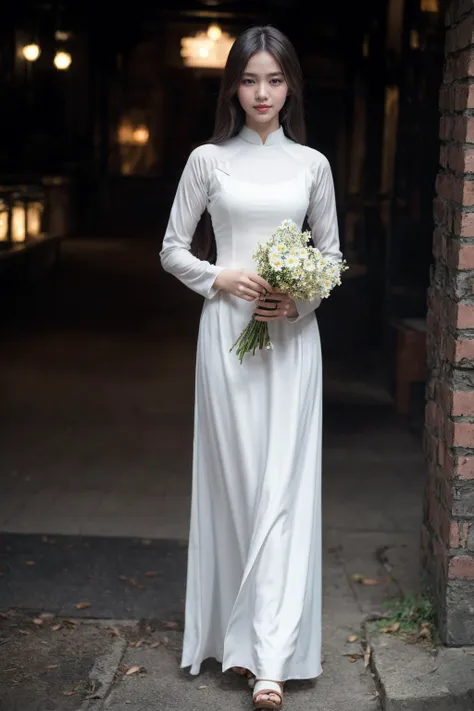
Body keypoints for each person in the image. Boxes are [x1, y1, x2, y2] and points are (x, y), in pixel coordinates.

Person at [159, 24, 342, 710]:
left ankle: (271, 657)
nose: (261, 91)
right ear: (233, 87)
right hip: (226, 336)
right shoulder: (208, 160)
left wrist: (297, 302)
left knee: (284, 490)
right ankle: (237, 638)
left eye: (273, 79)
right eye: (249, 79)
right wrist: (222, 279)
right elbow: (173, 249)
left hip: (292, 342)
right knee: (238, 485)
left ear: (290, 85)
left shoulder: (312, 165)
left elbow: (329, 257)